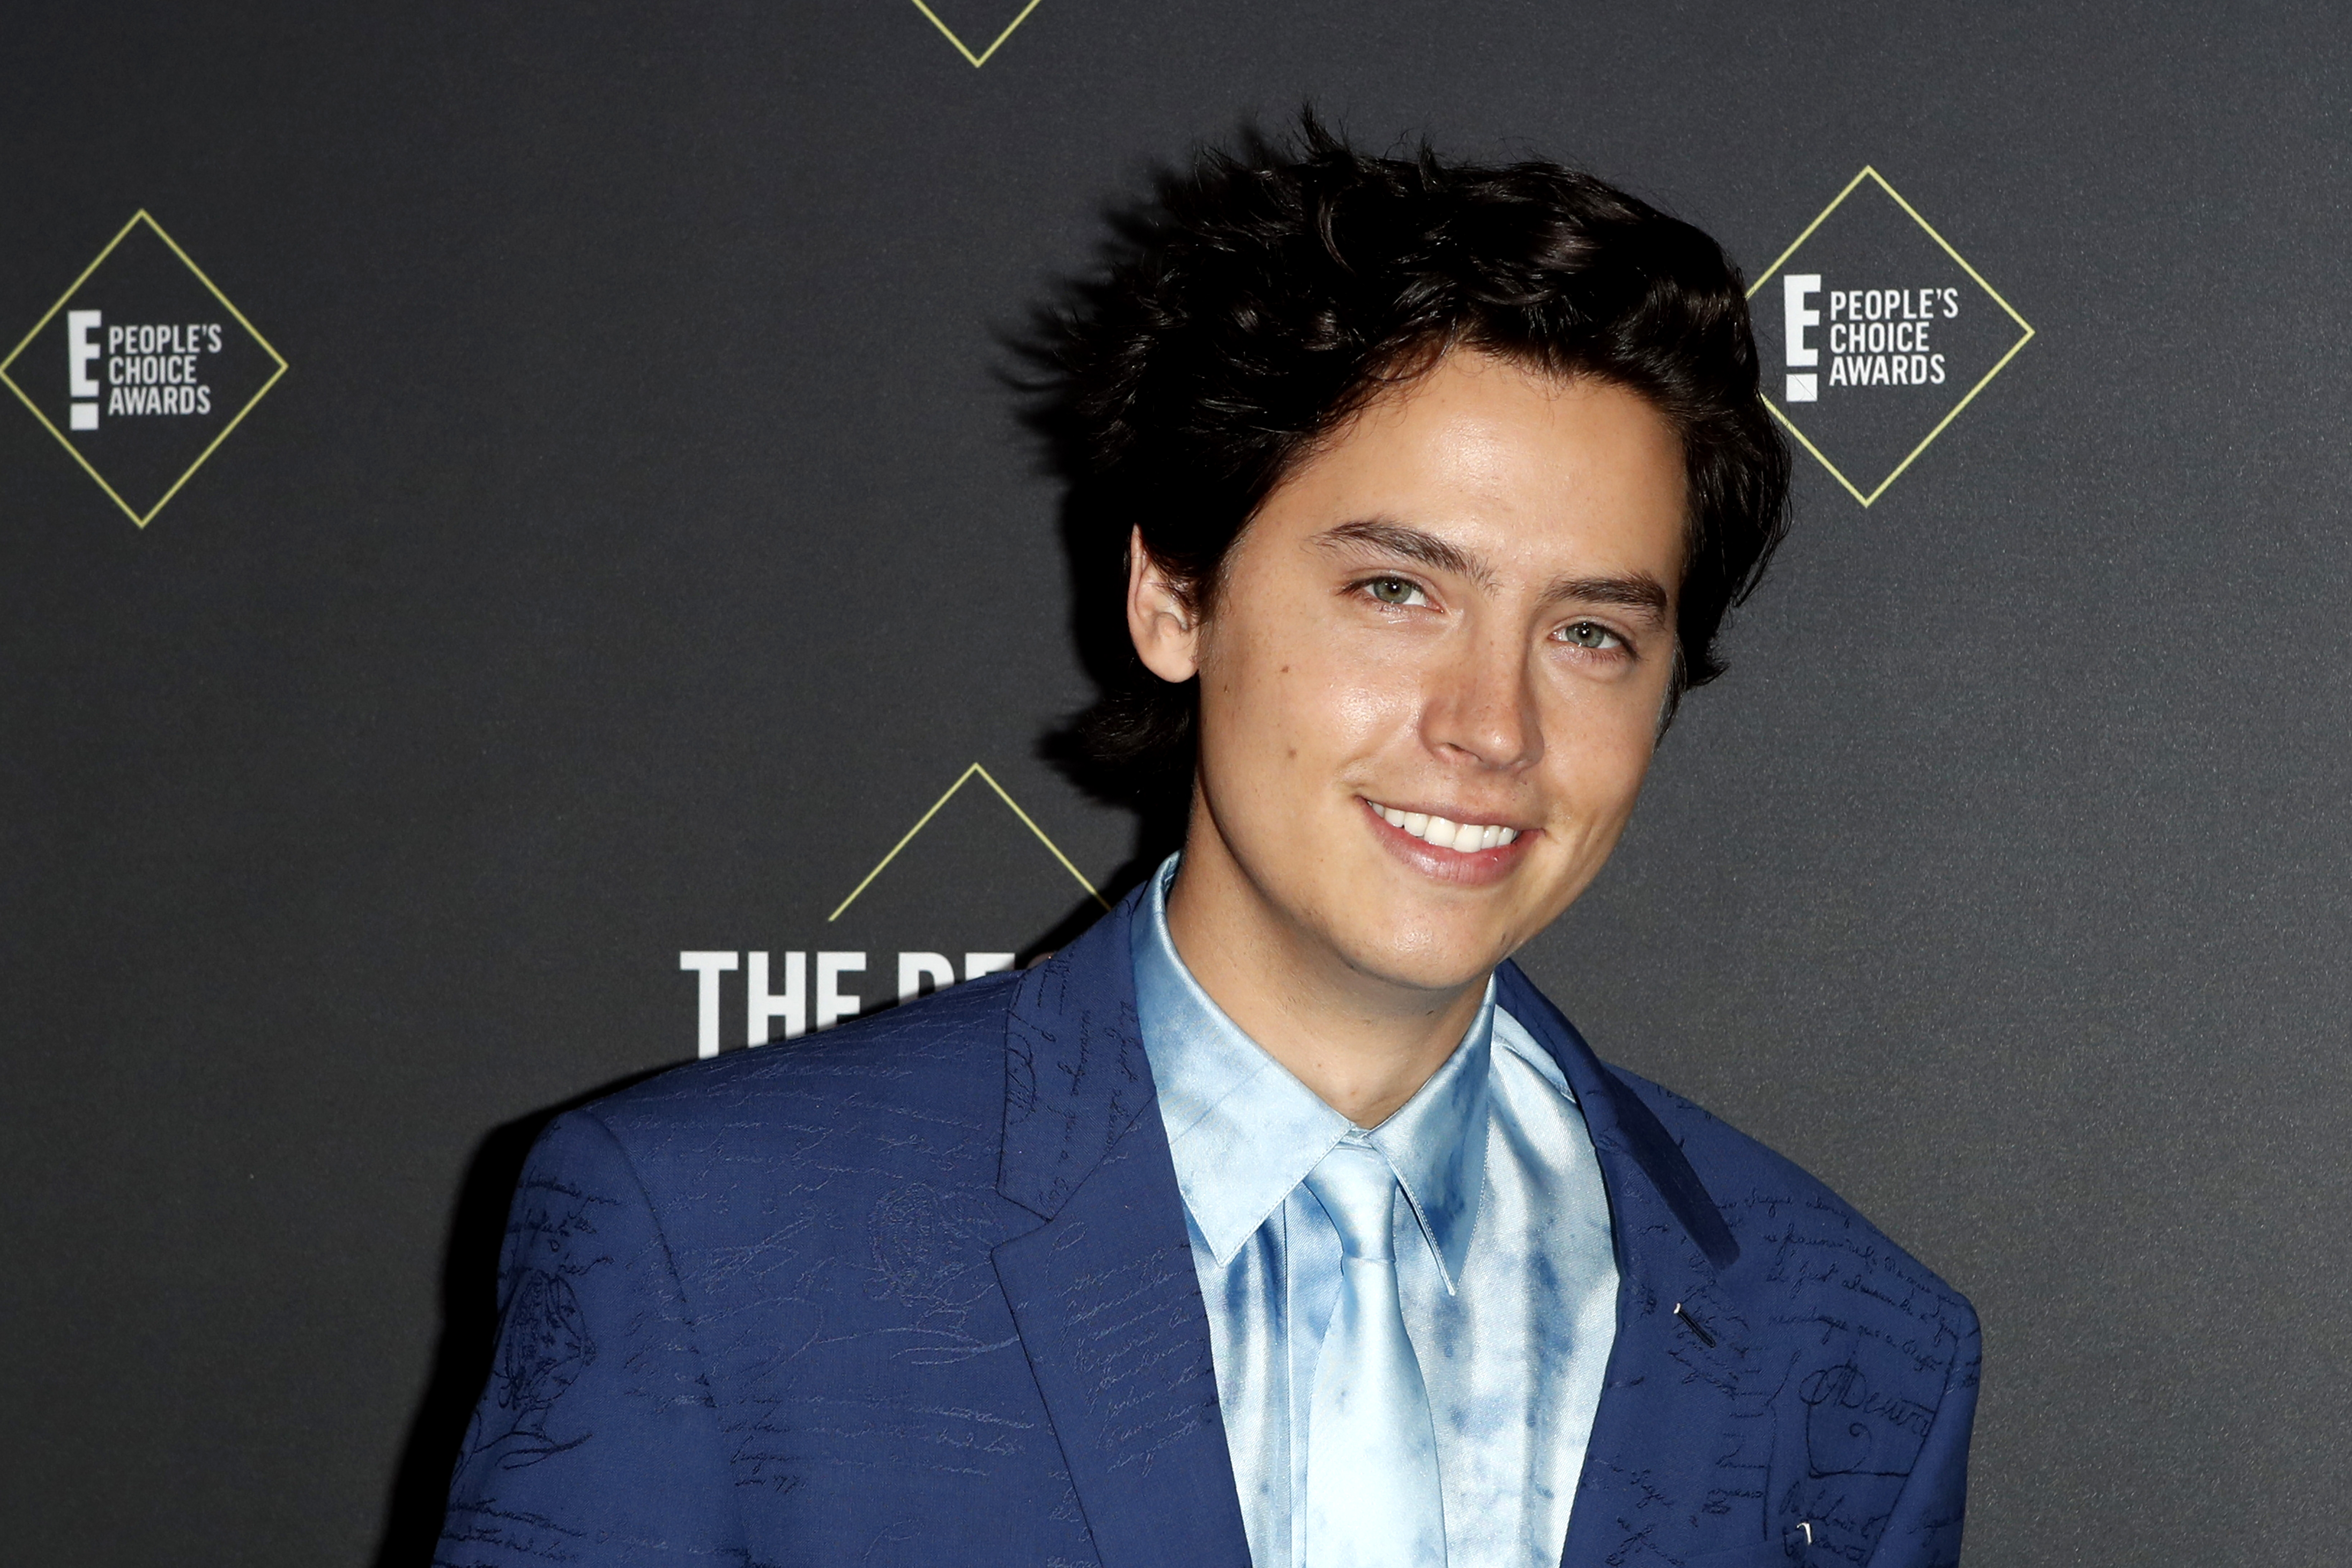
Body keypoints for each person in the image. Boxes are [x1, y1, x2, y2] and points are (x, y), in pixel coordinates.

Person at [436, 120, 1976, 1568]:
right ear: (1175, 596)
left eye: (1588, 631)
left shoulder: (1847, 1339)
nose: (1492, 726)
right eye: (1398, 590)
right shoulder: (712, 1242)